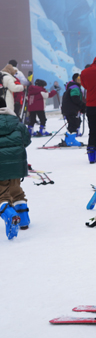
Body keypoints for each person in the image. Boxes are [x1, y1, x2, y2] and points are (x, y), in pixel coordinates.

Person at [0, 67, 29, 239]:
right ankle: (24, 220)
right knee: (17, 191)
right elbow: (27, 140)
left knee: (2, 194)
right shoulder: (17, 123)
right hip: (17, 165)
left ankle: (10, 215)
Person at [60, 73, 85, 147]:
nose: (80, 81)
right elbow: (75, 98)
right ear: (75, 80)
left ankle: (68, 140)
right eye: (78, 79)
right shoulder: (74, 87)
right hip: (71, 109)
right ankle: (71, 141)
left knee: (72, 123)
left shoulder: (72, 86)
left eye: (80, 79)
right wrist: (83, 105)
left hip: (68, 109)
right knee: (74, 123)